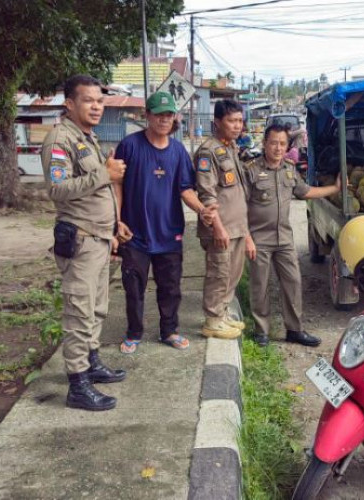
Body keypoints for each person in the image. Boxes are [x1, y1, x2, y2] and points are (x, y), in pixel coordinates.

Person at [41, 74, 127, 411]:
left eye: (100, 101)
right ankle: (77, 385)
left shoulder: (86, 137)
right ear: (70, 104)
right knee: (79, 310)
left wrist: (117, 222)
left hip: (100, 238)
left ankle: (91, 363)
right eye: (89, 100)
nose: (96, 106)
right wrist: (105, 174)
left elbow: (97, 191)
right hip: (80, 240)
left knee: (96, 307)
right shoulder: (60, 140)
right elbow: (57, 190)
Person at [113, 91, 217, 354]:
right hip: (134, 234)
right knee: (134, 287)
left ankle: (169, 330)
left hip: (170, 233)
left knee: (170, 287)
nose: (163, 119)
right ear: (147, 116)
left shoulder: (179, 151)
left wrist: (202, 209)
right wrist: (116, 221)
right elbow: (117, 185)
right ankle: (134, 332)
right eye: (158, 114)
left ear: (174, 118)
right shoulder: (130, 146)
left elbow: (185, 189)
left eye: (168, 115)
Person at [244, 124, 341, 347]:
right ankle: (261, 331)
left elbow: (305, 192)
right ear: (265, 143)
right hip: (259, 239)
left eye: (282, 143)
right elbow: (239, 206)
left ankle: (294, 330)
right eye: (273, 143)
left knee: (293, 282)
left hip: (284, 239)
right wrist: (246, 238)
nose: (278, 148)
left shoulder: (289, 169)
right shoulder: (250, 170)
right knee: (260, 286)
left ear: (287, 146)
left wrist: (334, 189)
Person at [194, 99, 250, 339]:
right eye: (231, 120)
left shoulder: (230, 147)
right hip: (221, 228)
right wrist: (217, 228)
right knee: (219, 273)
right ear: (217, 122)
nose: (237, 126)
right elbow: (207, 195)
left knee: (232, 274)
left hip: (236, 227)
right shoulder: (208, 151)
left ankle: (223, 313)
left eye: (239, 120)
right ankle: (212, 320)